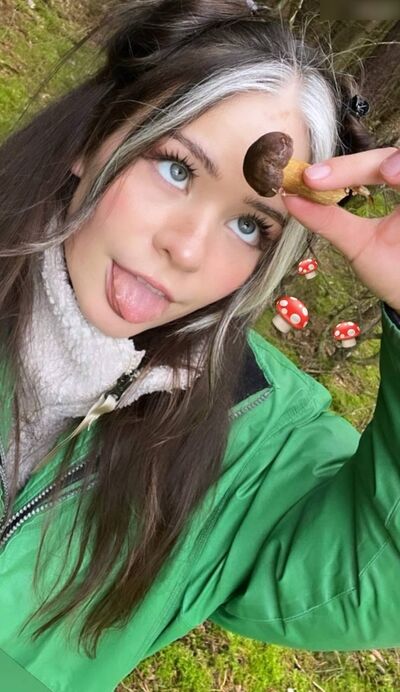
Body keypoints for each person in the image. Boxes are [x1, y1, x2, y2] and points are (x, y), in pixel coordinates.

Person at [0, 1, 399, 690]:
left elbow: (373, 575)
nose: (185, 250)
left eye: (249, 225)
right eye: (177, 169)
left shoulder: (255, 436)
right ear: (93, 137)